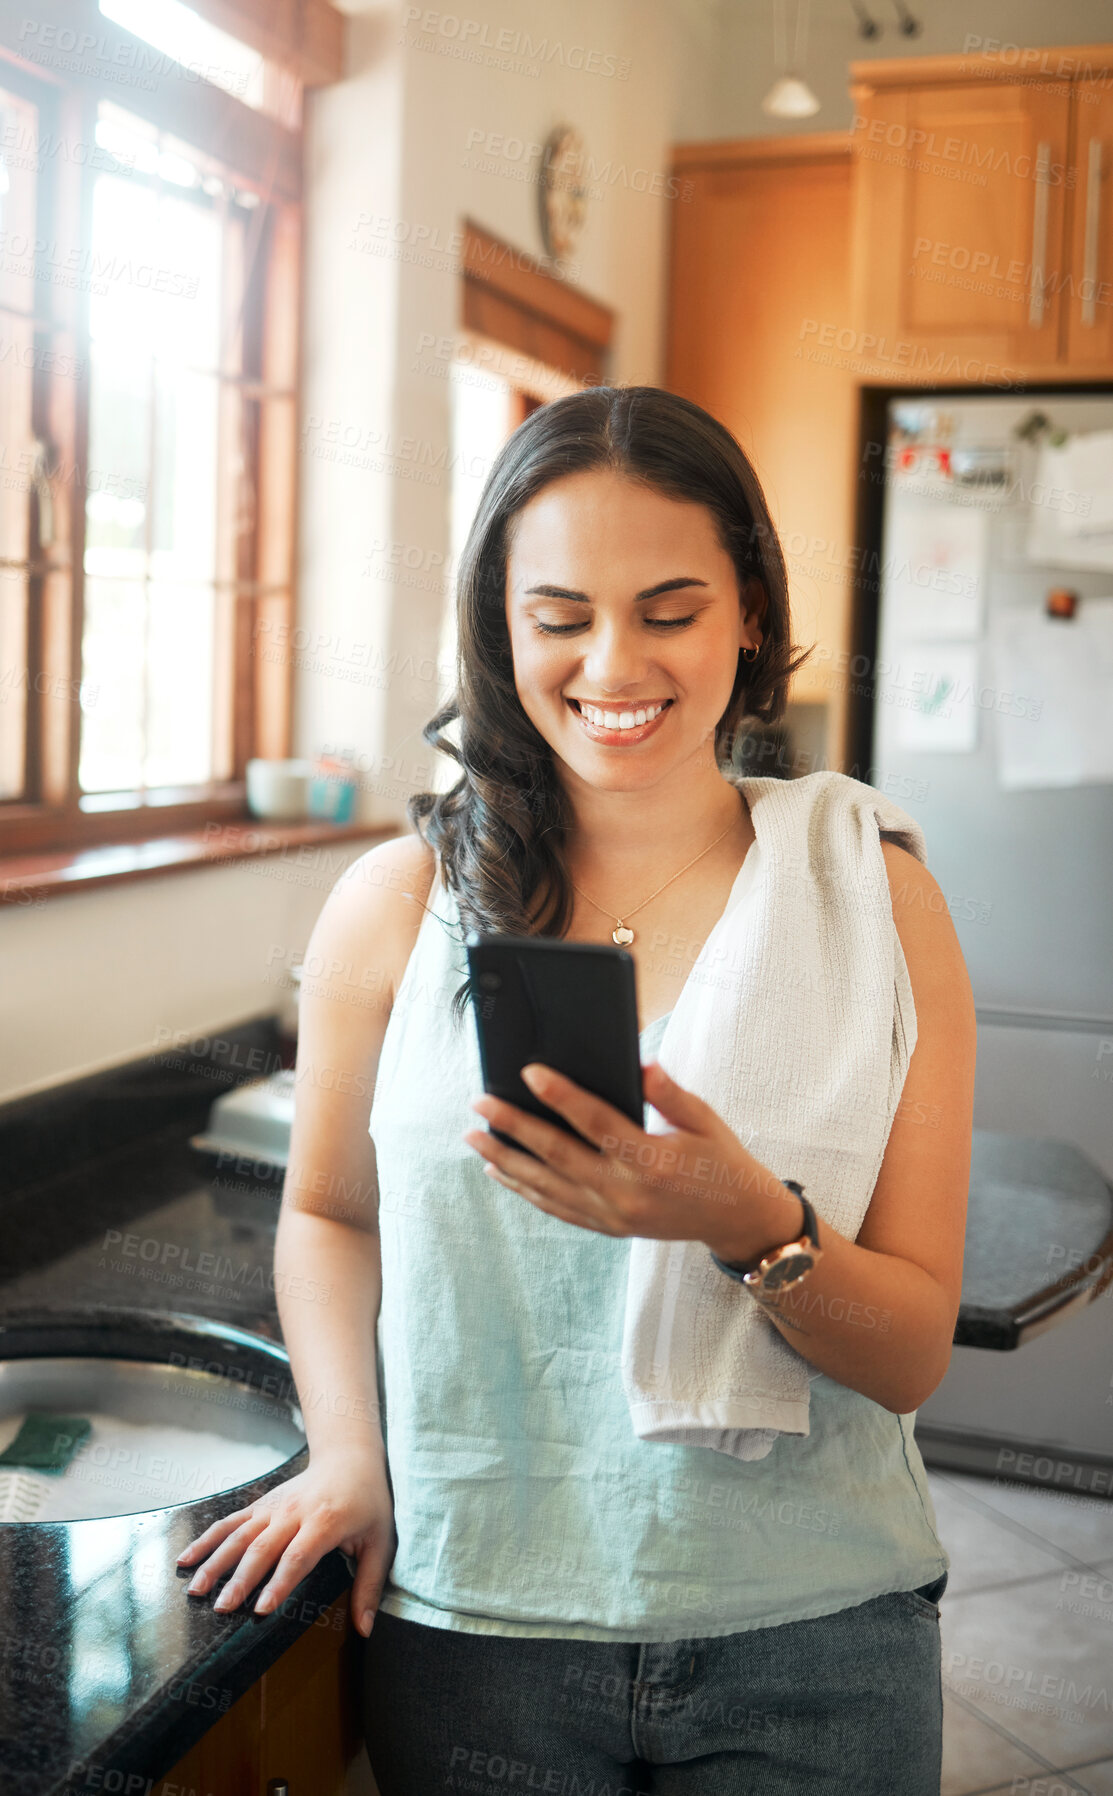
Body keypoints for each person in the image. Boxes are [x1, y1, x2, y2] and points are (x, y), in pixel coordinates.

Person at [175, 386, 976, 1794]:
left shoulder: (875, 897)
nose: (613, 663)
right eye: (559, 616)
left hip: (812, 1632)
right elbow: (326, 1213)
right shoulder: (397, 901)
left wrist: (751, 1227)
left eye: (669, 610)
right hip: (476, 1618)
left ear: (746, 610)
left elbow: (909, 1355)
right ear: (498, 627)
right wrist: (346, 1454)